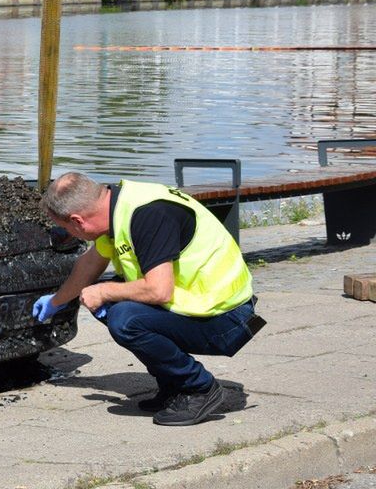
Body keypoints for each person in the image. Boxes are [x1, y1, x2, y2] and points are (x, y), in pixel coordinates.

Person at [34, 172, 262, 427]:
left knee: (124, 318)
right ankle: (173, 385)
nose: (70, 234)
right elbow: (89, 265)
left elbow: (159, 291)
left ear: (78, 221)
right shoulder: (116, 207)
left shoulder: (147, 216)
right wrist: (57, 301)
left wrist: (104, 292)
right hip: (205, 308)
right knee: (112, 303)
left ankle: (198, 388)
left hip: (229, 320)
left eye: (66, 228)